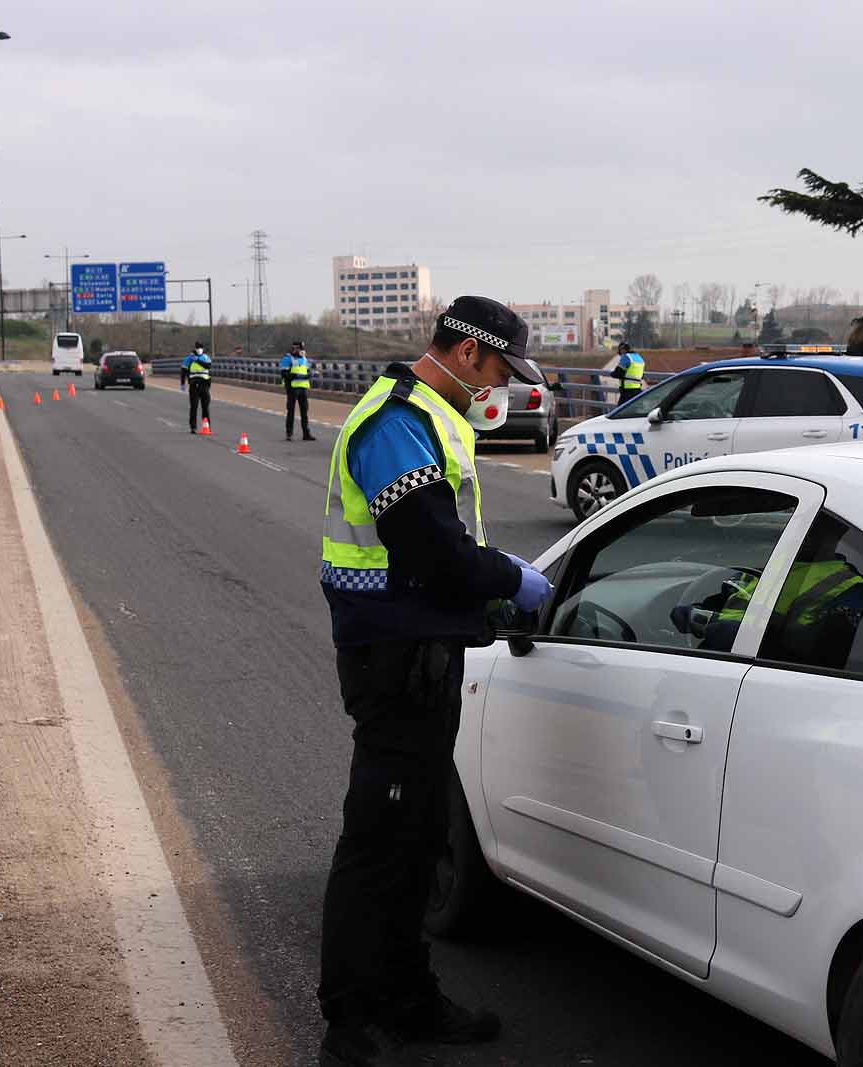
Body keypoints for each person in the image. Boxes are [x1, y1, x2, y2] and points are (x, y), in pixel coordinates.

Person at [317, 295, 552, 1066]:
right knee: (380, 839)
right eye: (500, 372)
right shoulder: (397, 423)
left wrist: (488, 595)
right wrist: (510, 581)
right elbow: (432, 551)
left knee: (416, 837)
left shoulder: (429, 416)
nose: (503, 390)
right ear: (466, 354)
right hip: (394, 657)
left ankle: (409, 998)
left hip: (422, 650)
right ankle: (350, 1019)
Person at [281, 339, 317, 441]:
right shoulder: (287, 358)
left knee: (304, 412)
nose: (302, 351)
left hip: (303, 388)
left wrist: (309, 375)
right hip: (292, 388)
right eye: (300, 348)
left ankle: (306, 434)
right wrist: (296, 376)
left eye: (302, 349)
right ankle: (289, 433)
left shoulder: (304, 359)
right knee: (291, 411)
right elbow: (284, 374)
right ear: (295, 348)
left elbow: (308, 370)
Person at [180, 339, 212, 434]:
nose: (199, 349)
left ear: (203, 348)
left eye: (200, 347)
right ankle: (193, 427)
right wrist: (182, 383)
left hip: (204, 385)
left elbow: (208, 366)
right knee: (194, 406)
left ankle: (207, 426)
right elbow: (183, 371)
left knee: (205, 407)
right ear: (195, 348)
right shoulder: (188, 359)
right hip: (194, 385)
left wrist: (197, 360)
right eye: (197, 347)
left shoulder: (206, 357)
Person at [609, 342, 645, 408]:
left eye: (620, 351)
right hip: (638, 389)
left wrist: (611, 373)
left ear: (622, 350)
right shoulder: (639, 358)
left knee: (620, 413)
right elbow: (642, 375)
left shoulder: (626, 357)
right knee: (636, 410)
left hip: (627, 391)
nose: (620, 354)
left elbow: (618, 373)